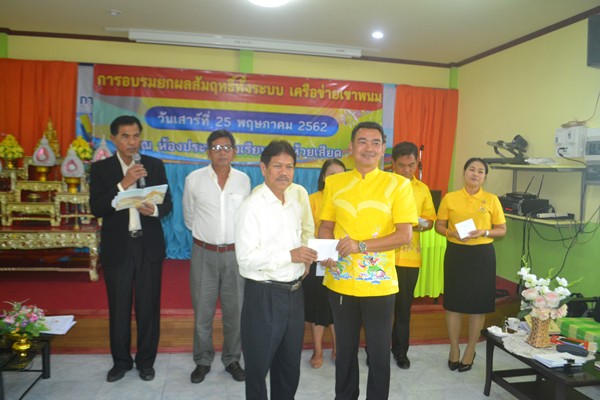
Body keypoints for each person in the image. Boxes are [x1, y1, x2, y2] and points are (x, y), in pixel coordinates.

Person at [319, 121, 418, 400]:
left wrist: (360, 246)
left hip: (379, 284)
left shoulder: (398, 185)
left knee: (378, 353)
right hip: (341, 282)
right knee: (345, 351)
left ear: (383, 149)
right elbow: (326, 225)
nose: (369, 148)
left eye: (376, 142)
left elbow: (404, 236)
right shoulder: (335, 182)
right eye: (362, 141)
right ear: (351, 147)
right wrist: (327, 252)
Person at [89, 115, 172, 382]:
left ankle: (146, 362)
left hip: (148, 246)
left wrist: (154, 210)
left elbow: (167, 204)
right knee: (119, 308)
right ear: (114, 138)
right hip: (118, 248)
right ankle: (121, 362)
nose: (132, 142)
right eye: (125, 136)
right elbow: (96, 208)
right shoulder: (101, 169)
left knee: (148, 308)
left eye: (136, 136)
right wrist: (123, 184)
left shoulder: (154, 165)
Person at [235, 140, 318, 400]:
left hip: (294, 293)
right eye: (277, 166)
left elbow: (301, 237)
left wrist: (305, 260)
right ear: (263, 168)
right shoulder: (252, 207)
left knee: (289, 367)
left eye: (289, 167)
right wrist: (290, 256)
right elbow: (245, 259)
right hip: (264, 296)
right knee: (258, 367)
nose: (284, 172)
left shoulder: (294, 201)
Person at [182, 129, 250, 384]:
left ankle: (232, 359)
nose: (222, 152)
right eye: (217, 148)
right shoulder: (194, 179)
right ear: (208, 152)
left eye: (227, 147)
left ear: (234, 152)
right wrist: (207, 236)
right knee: (203, 312)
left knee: (236, 312)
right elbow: (189, 216)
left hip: (234, 254)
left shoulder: (243, 180)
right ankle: (202, 361)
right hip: (204, 253)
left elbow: (245, 217)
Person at [434, 157, 506, 372]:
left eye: (480, 171)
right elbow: (439, 225)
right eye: (472, 169)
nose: (475, 174)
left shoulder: (491, 199)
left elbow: (501, 230)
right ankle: (454, 348)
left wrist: (484, 231)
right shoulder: (450, 198)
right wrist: (451, 233)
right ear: (464, 173)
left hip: (482, 256)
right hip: (456, 253)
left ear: (485, 177)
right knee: (453, 304)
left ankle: (470, 349)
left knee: (478, 305)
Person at [390, 142, 436, 370]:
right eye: (402, 165)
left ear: (417, 163)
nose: (407, 170)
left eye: (411, 165)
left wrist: (413, 224)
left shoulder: (422, 189)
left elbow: (429, 222)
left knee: (403, 309)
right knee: (379, 309)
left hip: (410, 258)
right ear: (393, 164)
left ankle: (400, 351)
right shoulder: (383, 185)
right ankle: (375, 349)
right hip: (383, 257)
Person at [304, 158, 346, 369]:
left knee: (338, 308)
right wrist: (320, 254)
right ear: (323, 177)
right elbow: (306, 230)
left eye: (341, 175)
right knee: (317, 307)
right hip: (317, 260)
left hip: (343, 261)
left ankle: (338, 349)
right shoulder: (312, 200)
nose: (336, 179)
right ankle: (318, 350)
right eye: (332, 174)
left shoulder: (348, 201)